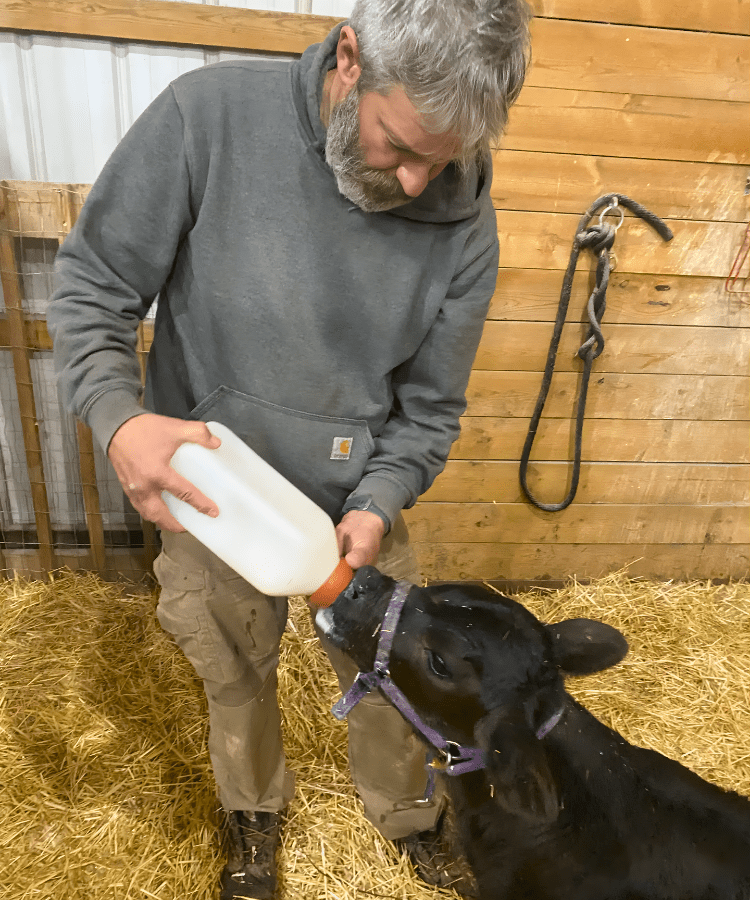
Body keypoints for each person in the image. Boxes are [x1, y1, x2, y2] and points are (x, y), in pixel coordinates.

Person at [48, 0, 531, 896]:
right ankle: (255, 814)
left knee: (398, 675)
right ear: (350, 58)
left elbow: (429, 408)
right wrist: (119, 417)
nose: (422, 181)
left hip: (354, 506)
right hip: (216, 495)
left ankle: (410, 817)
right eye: (401, 143)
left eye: (446, 157)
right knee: (232, 668)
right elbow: (92, 285)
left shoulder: (466, 223)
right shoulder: (207, 119)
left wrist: (380, 500)